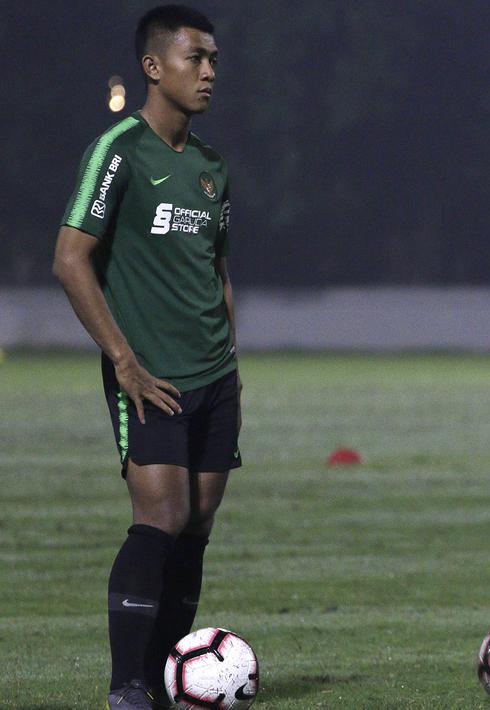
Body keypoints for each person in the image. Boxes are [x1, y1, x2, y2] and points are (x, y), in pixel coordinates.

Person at [52, 6, 238, 709]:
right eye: (196, 58)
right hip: (149, 376)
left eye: (215, 59)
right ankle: (127, 686)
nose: (210, 72)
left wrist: (234, 364)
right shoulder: (120, 151)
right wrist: (123, 361)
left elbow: (217, 268)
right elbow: (71, 258)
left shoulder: (213, 168)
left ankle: (168, 680)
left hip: (216, 377)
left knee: (194, 525)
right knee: (158, 517)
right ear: (155, 67)